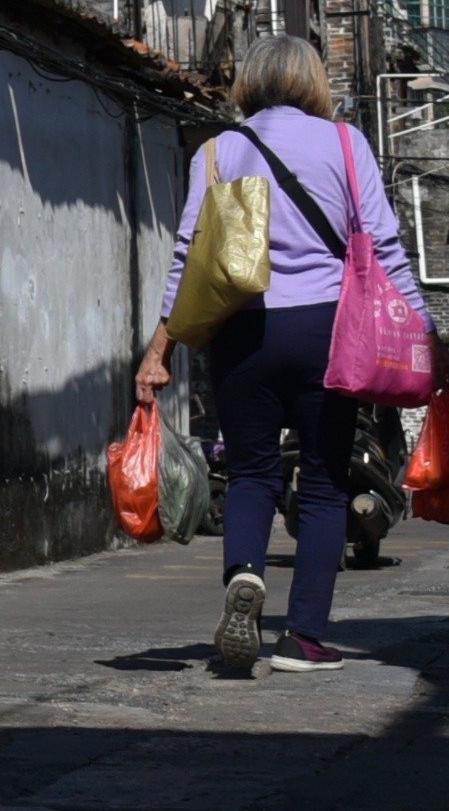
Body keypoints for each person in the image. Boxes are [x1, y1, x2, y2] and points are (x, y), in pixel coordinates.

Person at [133, 33, 430, 676]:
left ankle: (245, 575)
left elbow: (190, 259)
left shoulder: (216, 151)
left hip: (244, 332)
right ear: (313, 81)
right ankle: (304, 638)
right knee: (323, 485)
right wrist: (427, 334)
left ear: (247, 82)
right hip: (331, 333)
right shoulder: (347, 144)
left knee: (252, 474)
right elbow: (384, 247)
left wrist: (160, 348)